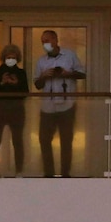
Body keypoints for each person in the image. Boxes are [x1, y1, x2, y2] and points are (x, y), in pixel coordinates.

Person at [33, 30, 85, 178]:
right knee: (44, 140)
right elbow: (37, 84)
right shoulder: (41, 61)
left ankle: (65, 174)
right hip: (47, 107)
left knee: (66, 141)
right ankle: (48, 174)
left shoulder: (70, 56)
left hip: (67, 105)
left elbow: (82, 74)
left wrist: (67, 74)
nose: (45, 44)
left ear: (55, 40)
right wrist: (44, 76)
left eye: (47, 40)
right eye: (42, 41)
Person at [0, 44, 29, 178]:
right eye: (8, 57)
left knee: (17, 140)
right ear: (4, 58)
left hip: (16, 110)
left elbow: (25, 93)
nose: (11, 59)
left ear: (18, 58)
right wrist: (2, 83)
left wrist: (16, 84)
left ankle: (19, 171)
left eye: (13, 57)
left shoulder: (21, 73)